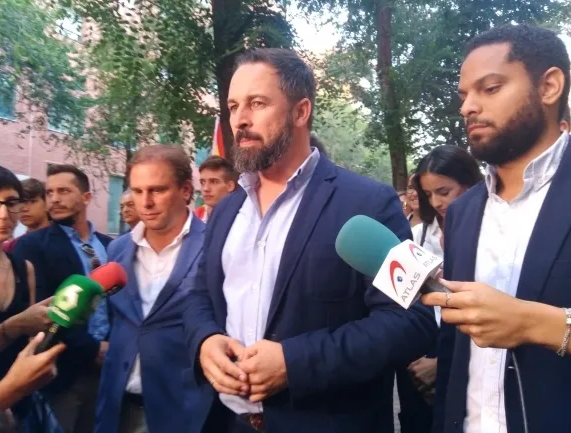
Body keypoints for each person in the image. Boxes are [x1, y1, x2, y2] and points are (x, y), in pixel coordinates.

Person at [183, 48, 437, 433]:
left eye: (257, 103)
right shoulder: (226, 210)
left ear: (301, 111)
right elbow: (200, 295)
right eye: (234, 106)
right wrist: (205, 340)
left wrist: (295, 363)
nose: (240, 119)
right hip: (227, 422)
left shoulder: (371, 202)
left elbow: (413, 322)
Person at [421, 24, 571, 433]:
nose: (467, 107)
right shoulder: (463, 211)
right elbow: (454, 351)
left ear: (549, 86)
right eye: (463, 95)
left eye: (489, 88)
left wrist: (537, 324)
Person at [94, 145, 208, 433]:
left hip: (183, 412)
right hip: (118, 407)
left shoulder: (215, 246)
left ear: (185, 191)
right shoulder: (117, 249)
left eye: (157, 190)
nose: (145, 202)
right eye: (137, 191)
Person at [14, 164, 112, 433]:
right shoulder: (33, 245)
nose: (54, 199)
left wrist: (113, 346)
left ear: (86, 197)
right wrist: (93, 348)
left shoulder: (110, 245)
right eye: (49, 192)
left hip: (109, 370)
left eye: (64, 191)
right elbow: (41, 311)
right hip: (59, 373)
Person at [395, 145, 483, 433]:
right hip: (420, 344)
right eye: (428, 194)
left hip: (467, 346)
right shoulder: (417, 234)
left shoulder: (488, 233)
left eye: (444, 192)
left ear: (469, 182)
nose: (436, 202)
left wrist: (441, 362)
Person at [0, 164, 56, 427]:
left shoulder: (24, 268)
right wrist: (16, 325)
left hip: (23, 405)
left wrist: (58, 319)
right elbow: (22, 325)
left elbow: (31, 342)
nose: (3, 214)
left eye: (11, 203)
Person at [3, 179, 50, 253]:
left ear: (47, 204)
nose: (24, 209)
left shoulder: (64, 239)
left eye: (32, 201)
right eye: (20, 202)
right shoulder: (10, 247)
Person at [195, 156, 238, 223]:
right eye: (202, 182)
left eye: (214, 182)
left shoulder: (240, 218)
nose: (206, 188)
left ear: (230, 186)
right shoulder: (196, 216)